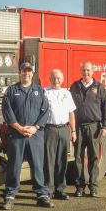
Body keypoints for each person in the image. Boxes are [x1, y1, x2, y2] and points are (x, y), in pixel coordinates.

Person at [1, 62, 53, 210]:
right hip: (16, 134)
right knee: (14, 165)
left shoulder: (39, 90)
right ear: (19, 73)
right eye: (24, 71)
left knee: (37, 165)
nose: (27, 74)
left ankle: (42, 195)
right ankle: (10, 195)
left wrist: (35, 128)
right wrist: (18, 127)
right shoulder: (12, 90)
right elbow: (7, 111)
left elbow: (46, 111)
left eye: (29, 71)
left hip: (35, 135)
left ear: (33, 73)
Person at [70, 61, 106, 198]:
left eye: (88, 70)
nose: (86, 73)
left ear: (93, 71)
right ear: (80, 71)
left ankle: (93, 187)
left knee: (93, 157)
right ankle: (79, 187)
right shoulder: (75, 87)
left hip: (94, 127)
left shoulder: (99, 87)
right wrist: (71, 128)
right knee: (78, 158)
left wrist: (105, 126)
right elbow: (70, 109)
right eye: (84, 70)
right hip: (79, 126)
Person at [43, 68, 76, 200]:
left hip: (63, 129)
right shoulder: (45, 92)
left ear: (62, 79)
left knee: (62, 161)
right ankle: (48, 190)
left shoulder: (66, 93)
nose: (56, 80)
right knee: (49, 161)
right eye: (53, 78)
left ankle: (60, 190)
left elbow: (71, 113)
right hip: (49, 129)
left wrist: (73, 131)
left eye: (58, 78)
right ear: (49, 79)